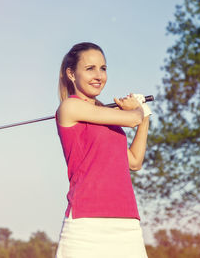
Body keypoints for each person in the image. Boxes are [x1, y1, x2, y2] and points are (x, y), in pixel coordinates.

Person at [55, 42, 150, 258]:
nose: (99, 75)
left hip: (126, 222)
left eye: (103, 68)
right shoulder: (70, 107)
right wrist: (136, 109)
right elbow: (133, 118)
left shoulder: (109, 120)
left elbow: (134, 161)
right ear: (71, 74)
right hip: (86, 223)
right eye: (90, 69)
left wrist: (144, 118)